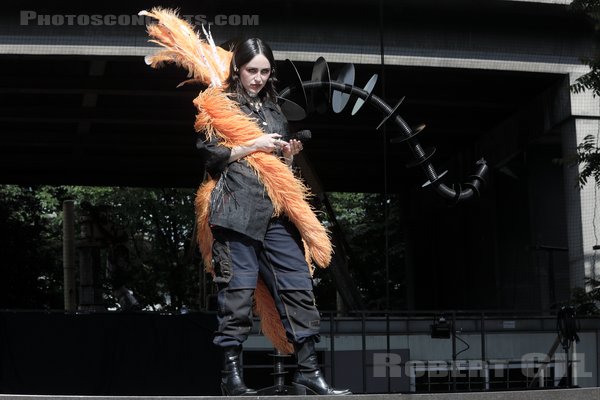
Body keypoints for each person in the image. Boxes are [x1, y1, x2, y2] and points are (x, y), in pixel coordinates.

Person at [197, 38, 350, 396]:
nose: (258, 78)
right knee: (236, 295)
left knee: (299, 286)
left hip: (275, 214)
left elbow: (278, 167)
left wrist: (288, 155)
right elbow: (210, 157)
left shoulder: (274, 111)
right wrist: (254, 145)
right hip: (235, 213)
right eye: (252, 70)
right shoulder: (219, 104)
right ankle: (231, 379)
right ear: (238, 68)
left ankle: (309, 372)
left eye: (265, 71)